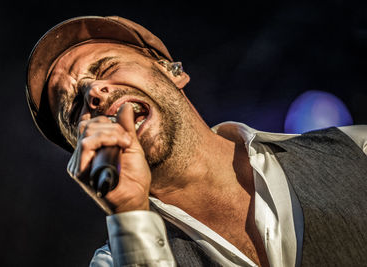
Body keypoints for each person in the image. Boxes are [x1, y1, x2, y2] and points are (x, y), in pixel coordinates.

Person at [26, 16, 367, 267]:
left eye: (105, 68)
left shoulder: (357, 152)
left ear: (173, 72)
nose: (93, 93)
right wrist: (130, 213)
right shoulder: (115, 261)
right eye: (73, 109)